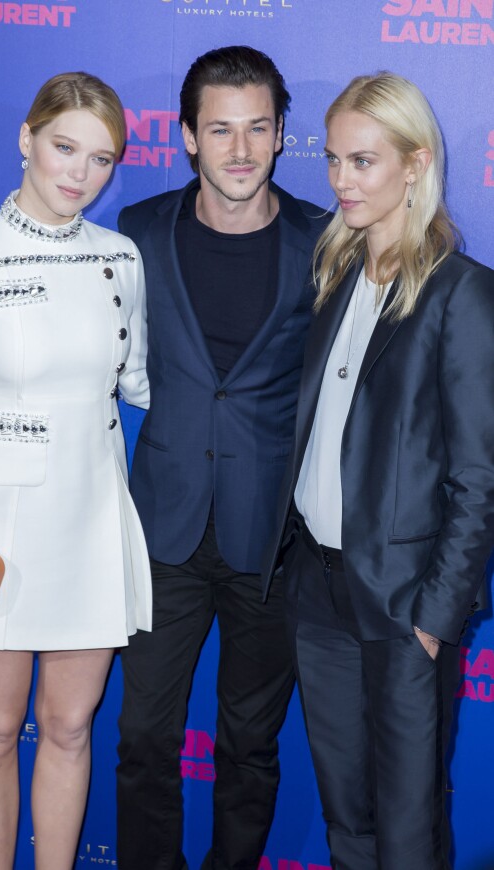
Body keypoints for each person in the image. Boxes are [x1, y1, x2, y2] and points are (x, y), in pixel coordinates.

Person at [0, 46, 327, 870]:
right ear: (189, 137)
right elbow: (75, 333)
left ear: (280, 138)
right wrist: (7, 384)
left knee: (250, 748)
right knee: (142, 741)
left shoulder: (324, 238)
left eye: (258, 130)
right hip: (158, 531)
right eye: (220, 130)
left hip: (274, 540)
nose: (240, 150)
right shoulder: (135, 234)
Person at [0, 72, 151, 870]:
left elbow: (142, 380)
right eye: (64, 148)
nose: (80, 173)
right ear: (26, 139)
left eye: (102, 159)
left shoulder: (121, 257)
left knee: (71, 727)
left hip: (90, 524)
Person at [261, 71, 494, 870]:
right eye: (332, 160)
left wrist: (433, 617)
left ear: (416, 164)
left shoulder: (462, 297)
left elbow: (479, 479)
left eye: (363, 162)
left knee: (405, 831)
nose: (339, 181)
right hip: (319, 594)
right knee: (346, 818)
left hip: (404, 610)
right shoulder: (334, 277)